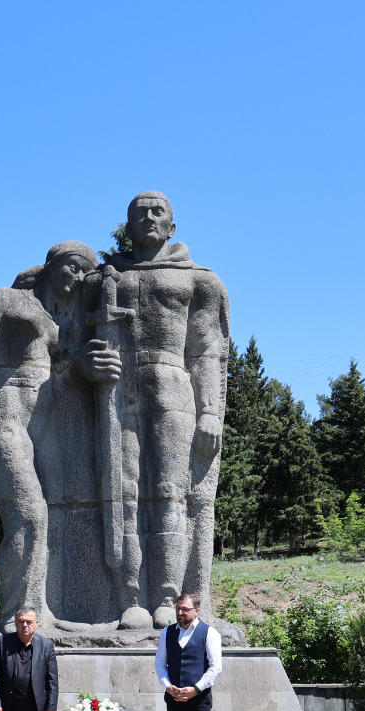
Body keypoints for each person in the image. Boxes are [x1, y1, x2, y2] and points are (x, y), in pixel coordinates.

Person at [83, 192, 230, 627]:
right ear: (127, 226)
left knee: (171, 494)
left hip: (173, 389)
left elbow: (208, 351)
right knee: (121, 493)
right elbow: (66, 337)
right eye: (138, 213)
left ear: (172, 225)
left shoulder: (199, 280)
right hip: (116, 390)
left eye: (157, 212)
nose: (148, 218)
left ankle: (167, 597)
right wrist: (86, 364)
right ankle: (129, 596)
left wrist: (210, 412)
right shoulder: (105, 279)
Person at [0, 241, 98, 626]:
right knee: (30, 516)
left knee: (57, 513)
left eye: (83, 274)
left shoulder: (61, 321)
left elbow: (66, 366)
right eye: (73, 268)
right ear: (52, 264)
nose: (76, 279)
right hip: (9, 415)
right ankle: (15, 612)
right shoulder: (7, 299)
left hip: (48, 422)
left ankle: (42, 611)